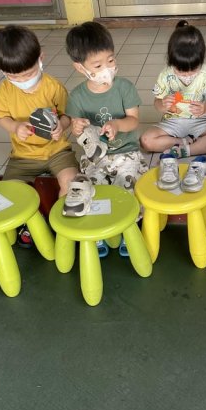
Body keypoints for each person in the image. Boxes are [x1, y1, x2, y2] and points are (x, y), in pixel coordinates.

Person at [0, 25, 78, 247]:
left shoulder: (53, 87)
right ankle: (32, 223)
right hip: (22, 156)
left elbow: (68, 115)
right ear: (3, 72)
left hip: (57, 151)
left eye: (28, 74)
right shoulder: (5, 90)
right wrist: (14, 126)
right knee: (10, 191)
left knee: (71, 182)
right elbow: (1, 116)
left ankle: (62, 221)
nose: (22, 81)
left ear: (40, 59)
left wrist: (61, 125)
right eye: (13, 76)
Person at [65, 21, 147, 256]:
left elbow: (134, 120)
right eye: (98, 65)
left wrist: (117, 124)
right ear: (80, 68)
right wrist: (77, 127)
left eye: (110, 60)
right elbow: (77, 130)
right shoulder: (77, 97)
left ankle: (129, 227)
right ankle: (99, 231)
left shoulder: (124, 88)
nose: (107, 69)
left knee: (127, 184)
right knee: (93, 186)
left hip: (125, 151)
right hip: (95, 158)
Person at [140, 20, 206, 159]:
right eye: (180, 71)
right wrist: (163, 104)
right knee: (146, 141)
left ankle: (187, 150)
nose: (187, 75)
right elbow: (157, 102)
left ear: (201, 60)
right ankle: (183, 142)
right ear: (171, 61)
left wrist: (205, 108)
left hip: (201, 121)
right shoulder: (166, 75)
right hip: (173, 122)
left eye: (193, 70)